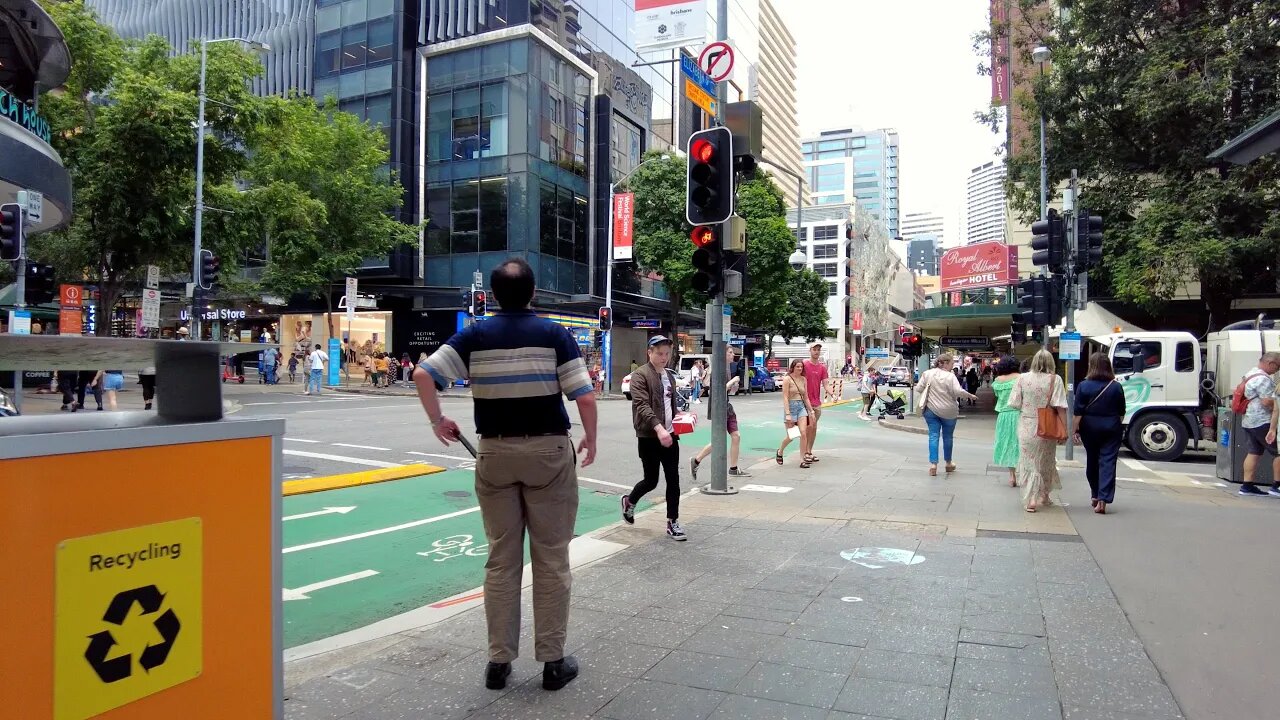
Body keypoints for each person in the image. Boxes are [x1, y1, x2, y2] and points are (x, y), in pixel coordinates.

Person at [413, 258, 595, 692]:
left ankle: (499, 661)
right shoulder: (554, 334)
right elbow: (584, 396)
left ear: (493, 296)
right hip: (549, 452)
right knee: (551, 557)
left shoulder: (474, 335)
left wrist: (438, 419)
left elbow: (424, 374)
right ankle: (552, 662)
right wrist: (591, 438)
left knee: (501, 558)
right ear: (533, 293)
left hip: (494, 451)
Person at [623, 335, 686, 541]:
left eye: (667, 354)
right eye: (659, 353)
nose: (664, 357)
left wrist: (680, 419)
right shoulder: (639, 376)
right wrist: (659, 429)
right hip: (649, 436)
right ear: (649, 352)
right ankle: (629, 501)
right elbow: (642, 406)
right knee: (651, 480)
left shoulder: (669, 375)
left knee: (673, 480)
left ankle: (672, 521)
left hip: (670, 436)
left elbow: (670, 404)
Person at [1007, 349, 1069, 512]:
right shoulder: (1055, 380)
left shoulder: (1022, 378)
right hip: (1047, 426)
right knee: (1046, 462)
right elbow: (1060, 406)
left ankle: (1031, 499)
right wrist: (1065, 429)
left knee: (1029, 463)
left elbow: (1014, 403)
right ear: (1051, 363)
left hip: (1026, 424)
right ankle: (1045, 496)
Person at [1074, 352, 1127, 513]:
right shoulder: (1116, 386)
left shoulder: (1083, 385)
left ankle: (1094, 495)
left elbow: (1078, 412)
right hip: (1111, 426)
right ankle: (1103, 499)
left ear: (1092, 366)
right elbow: (1121, 411)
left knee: (1092, 460)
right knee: (1108, 461)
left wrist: (1075, 429)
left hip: (1089, 427)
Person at [690, 346, 749, 481]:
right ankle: (697, 460)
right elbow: (717, 389)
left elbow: (727, 390)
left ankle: (733, 468)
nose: (733, 355)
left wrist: (733, 386)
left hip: (727, 407)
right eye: (730, 352)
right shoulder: (717, 370)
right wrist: (733, 381)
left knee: (736, 436)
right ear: (723, 355)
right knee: (718, 440)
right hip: (719, 408)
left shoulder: (728, 368)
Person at [916, 355, 978, 476]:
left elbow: (919, 388)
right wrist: (970, 396)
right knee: (948, 437)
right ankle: (948, 463)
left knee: (933, 435)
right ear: (945, 363)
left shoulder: (927, 373)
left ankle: (933, 465)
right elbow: (958, 391)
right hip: (949, 411)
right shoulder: (950, 376)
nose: (952, 366)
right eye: (951, 363)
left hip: (931, 410)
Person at [1237, 352, 1280, 496]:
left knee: (1254, 452)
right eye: (1277, 367)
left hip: (1249, 420)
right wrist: (1277, 401)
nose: (1277, 371)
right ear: (1271, 363)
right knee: (1278, 452)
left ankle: (1247, 486)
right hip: (1263, 421)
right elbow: (1267, 401)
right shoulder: (1263, 379)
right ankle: (1277, 486)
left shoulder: (1250, 373)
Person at [777, 359, 816, 467]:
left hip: (801, 408)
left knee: (803, 433)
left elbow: (806, 397)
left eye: (801, 367)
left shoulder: (803, 379)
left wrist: (811, 411)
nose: (799, 368)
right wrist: (788, 413)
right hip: (791, 407)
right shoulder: (787, 379)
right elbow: (785, 397)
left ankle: (802, 460)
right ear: (793, 367)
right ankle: (780, 451)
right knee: (792, 436)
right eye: (797, 366)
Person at [991, 356, 1022, 487]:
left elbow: (998, 397)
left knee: (1007, 444)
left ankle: (1012, 476)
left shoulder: (998, 381)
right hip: (1019, 414)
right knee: (1020, 444)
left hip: (1003, 416)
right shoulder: (1021, 378)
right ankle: (1021, 473)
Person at [802, 343, 829, 463]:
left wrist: (832, 393)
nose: (816, 352)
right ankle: (805, 452)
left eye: (818, 350)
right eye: (814, 349)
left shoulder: (822, 367)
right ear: (810, 350)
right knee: (809, 427)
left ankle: (809, 451)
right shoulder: (803, 364)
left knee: (813, 428)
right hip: (804, 401)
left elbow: (826, 384)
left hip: (816, 402)